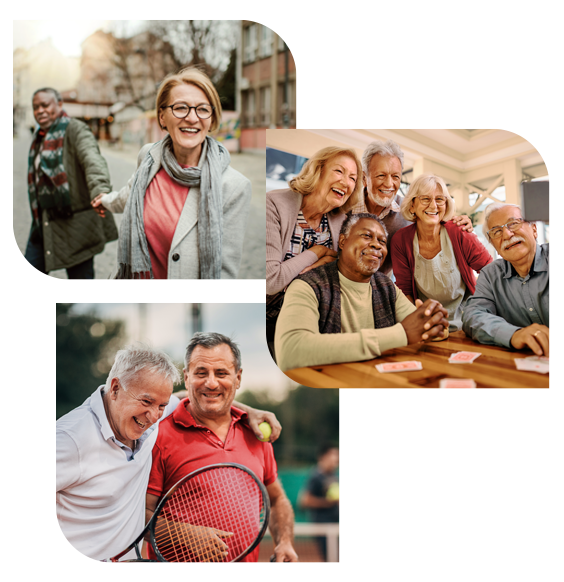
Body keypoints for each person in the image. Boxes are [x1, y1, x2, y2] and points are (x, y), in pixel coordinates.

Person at [56, 345, 281, 563]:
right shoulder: (69, 438)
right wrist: (64, 561)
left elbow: (194, 397)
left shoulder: (146, 421)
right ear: (115, 388)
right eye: (147, 401)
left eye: (162, 405)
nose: (154, 416)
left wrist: (250, 411)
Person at [147, 332, 298, 563]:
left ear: (238, 378)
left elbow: (276, 500)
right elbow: (138, 516)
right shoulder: (157, 435)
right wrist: (186, 535)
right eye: (200, 373)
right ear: (186, 378)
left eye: (221, 373)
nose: (211, 382)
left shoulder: (256, 433)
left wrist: (284, 542)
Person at [91, 67, 251, 280]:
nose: (192, 118)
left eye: (202, 109)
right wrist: (105, 201)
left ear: (211, 119)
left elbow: (224, 274)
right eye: (180, 107)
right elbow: (129, 196)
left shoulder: (234, 186)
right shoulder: (149, 157)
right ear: (162, 117)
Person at [275, 213, 449, 372]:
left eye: (382, 241)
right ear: (342, 241)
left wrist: (435, 321)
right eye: (367, 236)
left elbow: (422, 329)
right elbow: (292, 350)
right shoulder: (307, 286)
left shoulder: (386, 286)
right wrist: (401, 334)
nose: (376, 245)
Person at [266, 146, 363, 356]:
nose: (346, 182)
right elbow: (271, 280)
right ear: (317, 172)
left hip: (318, 314)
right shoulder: (274, 203)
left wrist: (332, 259)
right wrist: (318, 252)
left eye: (353, 178)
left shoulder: (341, 219)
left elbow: (344, 268)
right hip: (271, 314)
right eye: (339, 171)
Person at [19, 88, 118, 279]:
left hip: (76, 227)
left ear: (59, 105)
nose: (40, 111)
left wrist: (100, 190)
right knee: (26, 279)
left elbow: (92, 159)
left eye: (45, 105)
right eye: (35, 107)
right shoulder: (39, 138)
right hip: (43, 225)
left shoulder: (76, 129)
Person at [350, 139, 473, 276]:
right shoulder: (344, 207)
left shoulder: (410, 208)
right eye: (381, 175)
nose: (389, 184)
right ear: (364, 178)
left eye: (395, 176)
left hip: (384, 289)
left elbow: (436, 221)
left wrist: (460, 223)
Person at [390, 173, 492, 333]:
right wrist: (420, 322)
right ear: (412, 205)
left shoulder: (460, 231)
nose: (433, 206)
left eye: (439, 199)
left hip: (468, 323)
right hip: (427, 325)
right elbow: (405, 292)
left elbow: (490, 271)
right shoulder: (400, 241)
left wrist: (478, 307)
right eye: (425, 199)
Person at [462, 203, 549, 356]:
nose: (507, 235)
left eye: (513, 224)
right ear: (493, 245)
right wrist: (513, 334)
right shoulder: (490, 275)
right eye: (496, 232)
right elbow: (473, 315)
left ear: (534, 229)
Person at [299, 445, 340, 562]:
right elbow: (304, 500)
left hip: (334, 525)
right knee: (331, 560)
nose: (336, 460)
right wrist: (328, 503)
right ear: (323, 457)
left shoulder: (333, 475)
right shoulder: (315, 476)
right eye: (333, 456)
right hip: (322, 526)